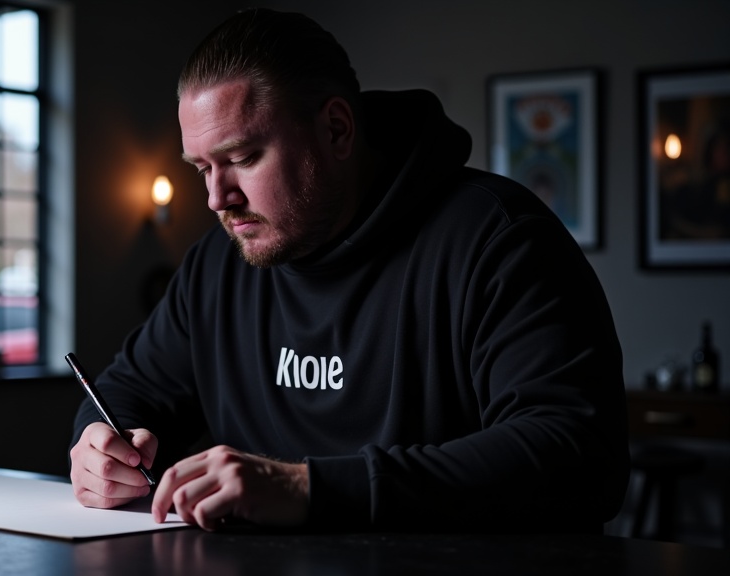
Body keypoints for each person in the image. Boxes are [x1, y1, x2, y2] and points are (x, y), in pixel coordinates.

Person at [69, 8, 628, 534]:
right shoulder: (216, 268)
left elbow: (575, 453)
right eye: (202, 168)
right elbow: (125, 392)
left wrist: (311, 488)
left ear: (336, 130)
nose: (217, 198)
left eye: (242, 159)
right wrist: (99, 445)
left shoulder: (498, 238)